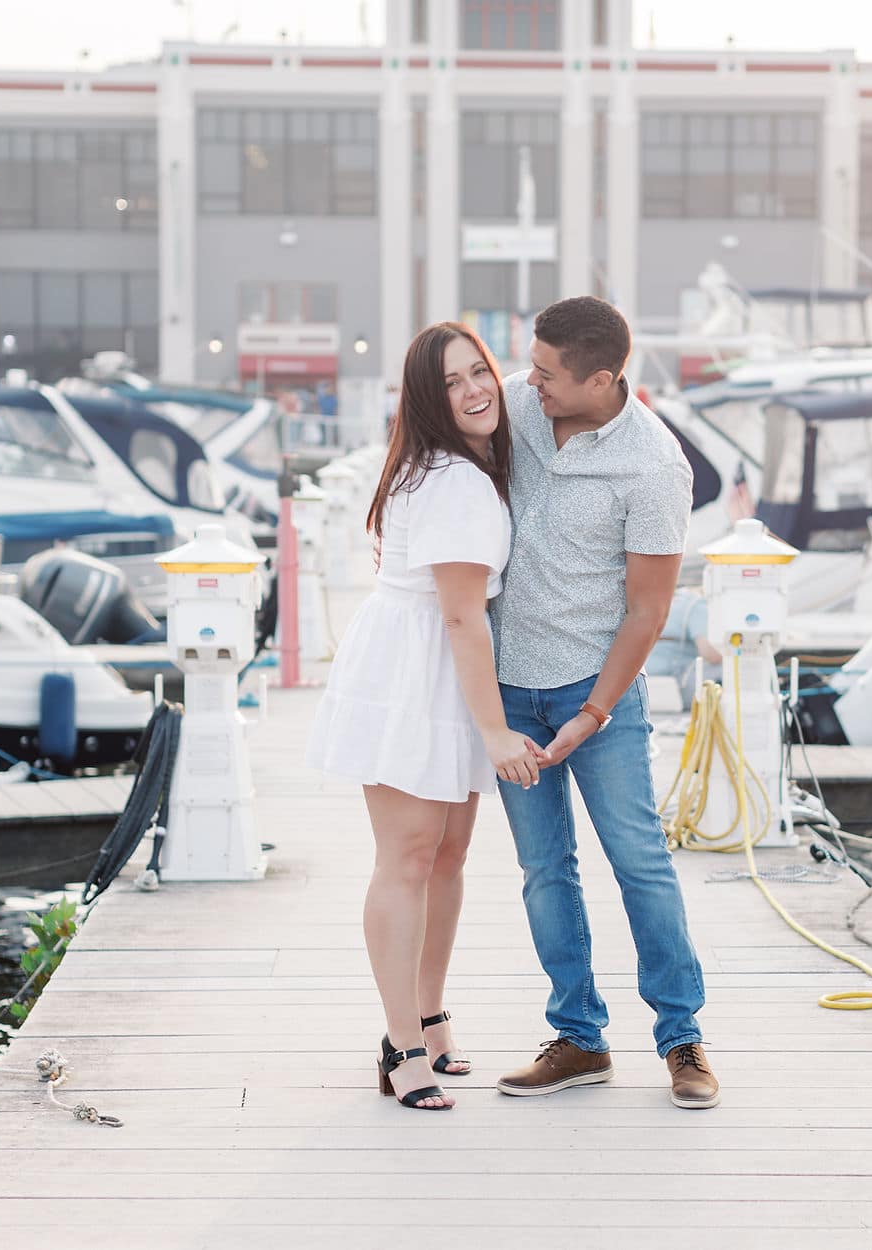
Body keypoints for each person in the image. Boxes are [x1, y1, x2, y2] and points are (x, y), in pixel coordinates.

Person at [304, 321, 543, 1110]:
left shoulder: (459, 466)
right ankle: (400, 1042)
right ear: (426, 399)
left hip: (438, 670)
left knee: (446, 856)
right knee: (409, 857)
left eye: (481, 372)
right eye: (453, 382)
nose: (476, 390)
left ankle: (431, 1015)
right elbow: (461, 618)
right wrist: (497, 731)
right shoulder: (451, 480)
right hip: (417, 672)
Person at [491, 295, 721, 1110]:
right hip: (507, 692)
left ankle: (682, 1037)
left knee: (639, 862)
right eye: (532, 364)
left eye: (549, 372)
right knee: (543, 868)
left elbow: (648, 612)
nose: (531, 381)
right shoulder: (518, 405)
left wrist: (592, 712)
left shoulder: (655, 467)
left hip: (600, 698)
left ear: (604, 378)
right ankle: (579, 1039)